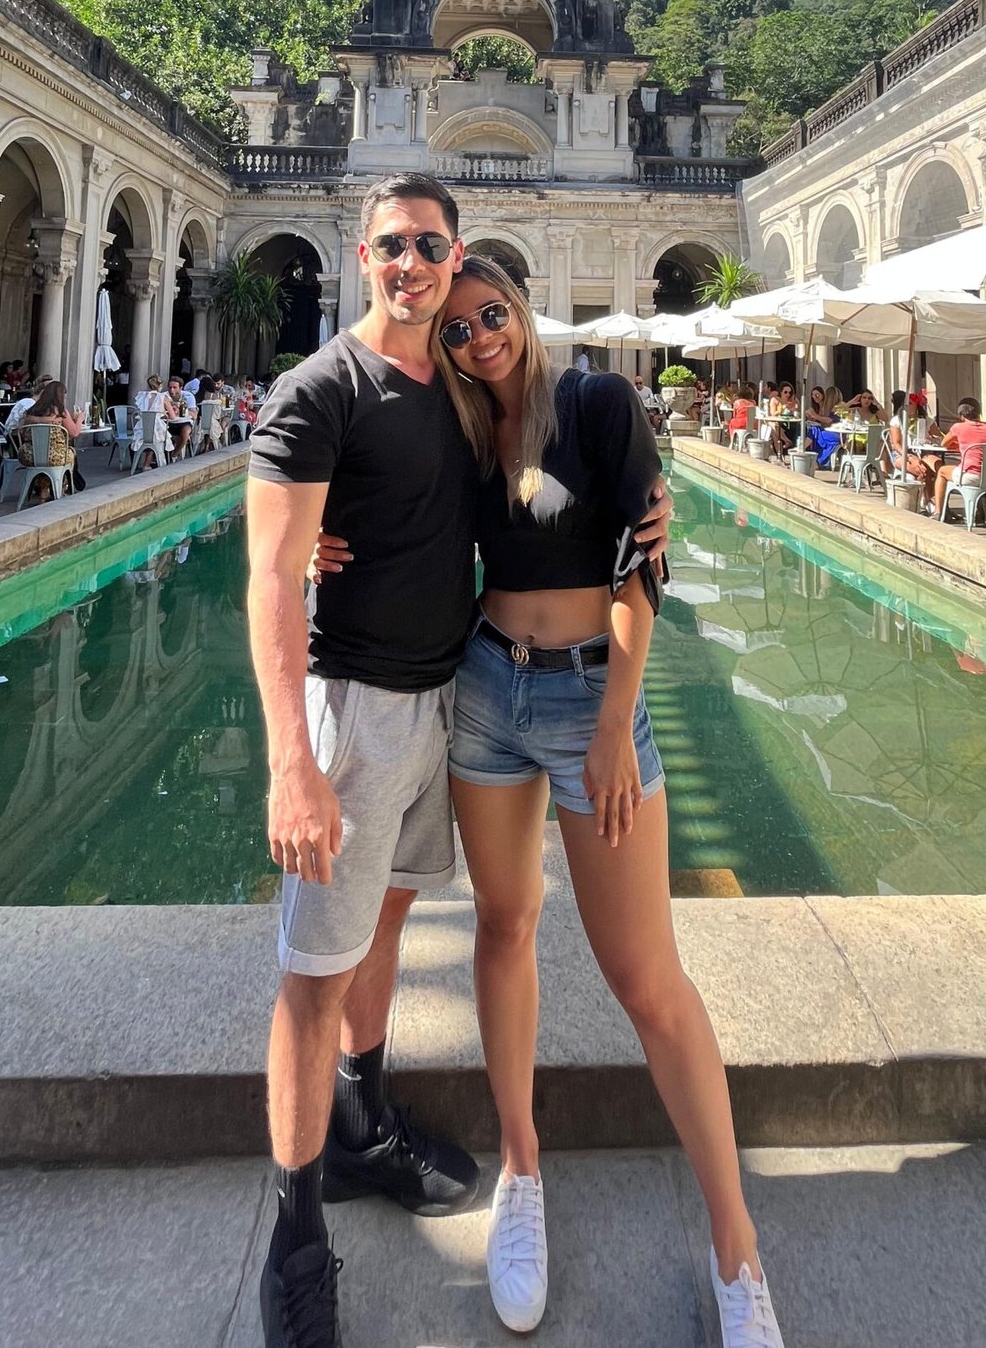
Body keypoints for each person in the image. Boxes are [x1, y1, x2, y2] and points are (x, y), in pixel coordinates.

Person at [312, 256, 782, 1345]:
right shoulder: (461, 431)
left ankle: (735, 1246)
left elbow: (641, 564)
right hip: (485, 690)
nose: (478, 336)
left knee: (647, 979)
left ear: (520, 309)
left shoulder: (598, 402)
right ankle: (521, 1171)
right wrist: (319, 537)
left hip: (587, 702)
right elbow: (381, 501)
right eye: (458, 328)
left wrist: (616, 720)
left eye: (491, 314)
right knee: (504, 921)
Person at [243, 176, 672, 1348]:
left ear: (457, 253)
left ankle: (362, 1123)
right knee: (314, 971)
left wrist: (644, 505)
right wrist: (291, 762)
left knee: (381, 922)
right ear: (362, 254)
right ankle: (293, 1243)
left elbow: (543, 480)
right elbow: (269, 575)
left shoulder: (460, 389)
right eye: (391, 245)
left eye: (429, 246)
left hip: (453, 696)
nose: (412, 265)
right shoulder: (319, 388)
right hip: (357, 708)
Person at [12, 379, 86, 497]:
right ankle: (63, 487)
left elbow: (23, 432)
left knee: (44, 456)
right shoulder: (60, 412)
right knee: (69, 453)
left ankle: (43, 489)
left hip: (30, 455)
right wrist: (80, 420)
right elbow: (74, 432)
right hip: (54, 456)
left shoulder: (32, 410)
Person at [932, 398, 986, 519]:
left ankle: (938, 512)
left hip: (971, 476)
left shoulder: (958, 427)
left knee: (942, 471)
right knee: (978, 472)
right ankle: (981, 511)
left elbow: (944, 443)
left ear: (961, 415)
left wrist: (959, 443)